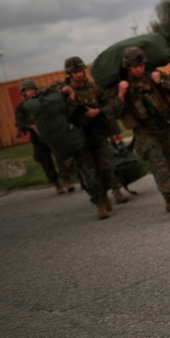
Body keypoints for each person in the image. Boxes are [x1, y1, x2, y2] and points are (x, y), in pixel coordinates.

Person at [105, 47, 170, 216]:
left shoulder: (154, 76)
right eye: (135, 67)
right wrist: (121, 94)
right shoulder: (122, 86)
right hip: (144, 131)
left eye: (141, 65)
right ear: (127, 67)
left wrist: (161, 82)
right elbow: (112, 113)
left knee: (169, 162)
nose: (139, 69)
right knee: (158, 163)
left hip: (164, 125)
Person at [60, 56, 118, 220]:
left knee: (107, 170)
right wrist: (70, 98)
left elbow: (109, 106)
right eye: (75, 72)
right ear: (69, 74)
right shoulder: (64, 92)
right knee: (90, 176)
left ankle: (105, 193)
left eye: (80, 71)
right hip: (80, 141)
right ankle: (99, 203)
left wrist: (97, 112)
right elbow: (64, 115)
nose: (78, 74)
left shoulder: (94, 88)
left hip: (98, 136)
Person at [13, 78, 75, 194]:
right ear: (23, 93)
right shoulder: (22, 107)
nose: (31, 92)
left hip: (51, 134)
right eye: (28, 90)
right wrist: (31, 126)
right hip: (37, 138)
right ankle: (57, 184)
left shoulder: (42, 100)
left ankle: (67, 180)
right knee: (45, 161)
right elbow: (19, 122)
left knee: (61, 157)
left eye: (32, 89)